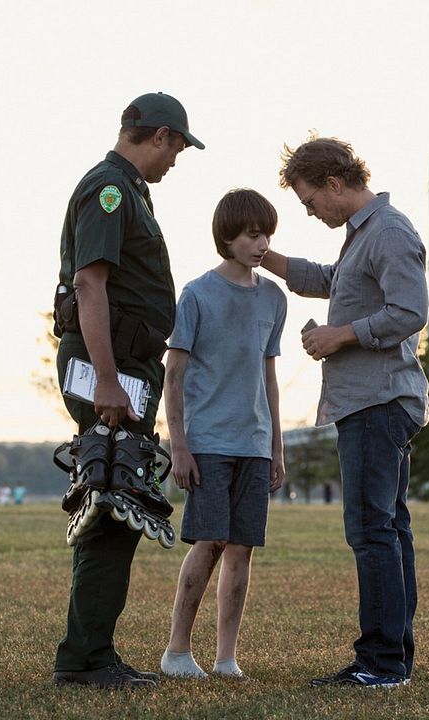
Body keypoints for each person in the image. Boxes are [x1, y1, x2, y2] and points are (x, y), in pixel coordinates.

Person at [260, 135, 429, 688]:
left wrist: (340, 336)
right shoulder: (363, 237)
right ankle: (394, 660)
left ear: (334, 183)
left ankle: (379, 664)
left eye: (310, 201)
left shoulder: (389, 231)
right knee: (389, 528)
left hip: (378, 401)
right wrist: (269, 258)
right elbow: (336, 282)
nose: (310, 212)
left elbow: (410, 312)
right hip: (371, 401)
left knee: (370, 531)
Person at [51, 91, 204, 690]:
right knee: (113, 506)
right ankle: (86, 658)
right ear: (161, 136)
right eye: (177, 150)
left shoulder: (128, 191)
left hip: (125, 366)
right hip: (108, 371)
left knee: (118, 501)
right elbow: (91, 286)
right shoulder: (109, 189)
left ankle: (90, 651)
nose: (175, 162)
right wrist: (109, 379)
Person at [158, 188, 287, 680]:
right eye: (254, 235)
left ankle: (226, 658)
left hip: (254, 444)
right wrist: (180, 445)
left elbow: (268, 377)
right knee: (209, 541)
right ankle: (176, 652)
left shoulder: (275, 299)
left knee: (242, 549)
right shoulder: (196, 295)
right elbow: (174, 376)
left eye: (268, 234)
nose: (263, 244)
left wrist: (275, 447)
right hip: (207, 442)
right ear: (227, 237)